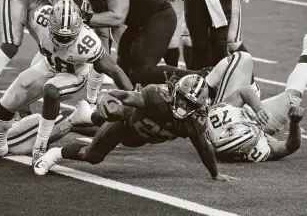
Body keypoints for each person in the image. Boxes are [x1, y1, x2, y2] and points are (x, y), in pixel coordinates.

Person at [0, 0, 133, 164]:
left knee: (51, 89)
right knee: (10, 98)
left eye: (68, 36)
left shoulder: (87, 43)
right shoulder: (41, 17)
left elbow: (113, 69)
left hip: (74, 74)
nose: (63, 40)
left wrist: (133, 99)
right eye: (59, 35)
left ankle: (39, 147)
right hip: (48, 64)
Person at [34, 72, 239, 182]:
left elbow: (204, 147)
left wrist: (215, 174)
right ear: (175, 93)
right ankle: (53, 154)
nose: (184, 107)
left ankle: (81, 118)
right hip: (123, 122)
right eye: (183, 100)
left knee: (109, 134)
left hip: (136, 137)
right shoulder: (157, 98)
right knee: (93, 155)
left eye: (191, 104)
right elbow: (126, 96)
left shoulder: (194, 122)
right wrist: (107, 95)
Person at [60, 0, 183, 86]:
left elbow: (117, 18)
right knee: (123, 69)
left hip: (158, 16)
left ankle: (197, 78)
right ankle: (131, 103)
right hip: (138, 23)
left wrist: (81, 19)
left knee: (141, 71)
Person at [206, 34, 307, 162]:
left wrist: (258, 109)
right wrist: (295, 122)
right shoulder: (257, 150)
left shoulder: (219, 118)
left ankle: (206, 84)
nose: (255, 127)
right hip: (247, 122)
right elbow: (289, 147)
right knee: (293, 101)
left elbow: (244, 91)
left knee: (243, 58)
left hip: (234, 105)